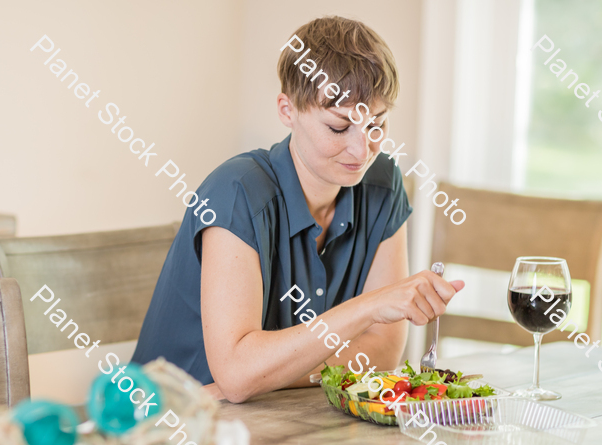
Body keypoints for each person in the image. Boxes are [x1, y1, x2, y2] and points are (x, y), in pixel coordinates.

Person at [132, 16, 463, 403]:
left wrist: (266, 375)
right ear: (287, 111)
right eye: (340, 127)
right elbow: (239, 372)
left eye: (377, 124)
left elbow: (385, 350)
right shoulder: (235, 192)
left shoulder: (382, 184)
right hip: (169, 429)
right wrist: (371, 307)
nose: (363, 150)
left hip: (278, 420)